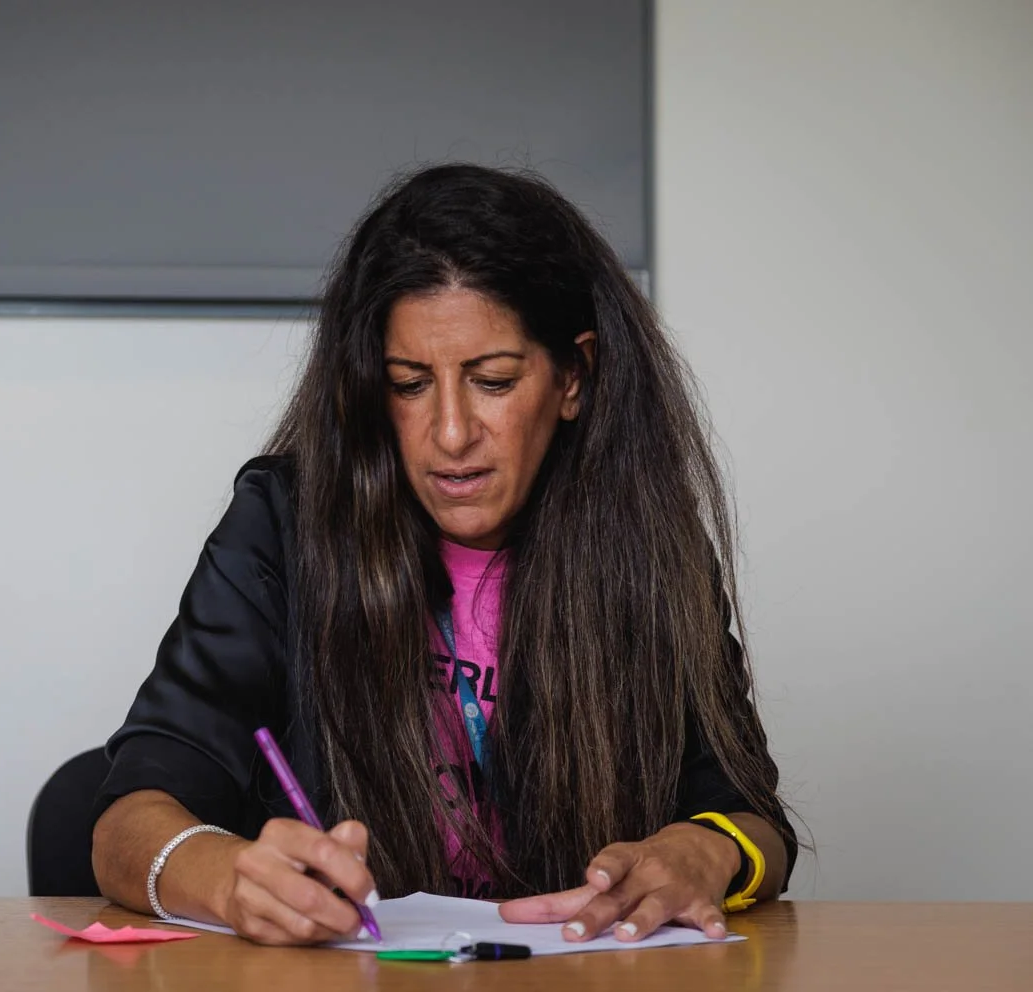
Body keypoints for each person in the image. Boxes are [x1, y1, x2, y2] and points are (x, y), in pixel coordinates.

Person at [91, 163, 797, 947]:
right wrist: (226, 880)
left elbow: (751, 815)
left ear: (575, 377)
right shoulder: (281, 529)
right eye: (410, 384)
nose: (452, 434)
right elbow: (127, 820)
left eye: (493, 381)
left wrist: (704, 851)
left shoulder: (646, 546)